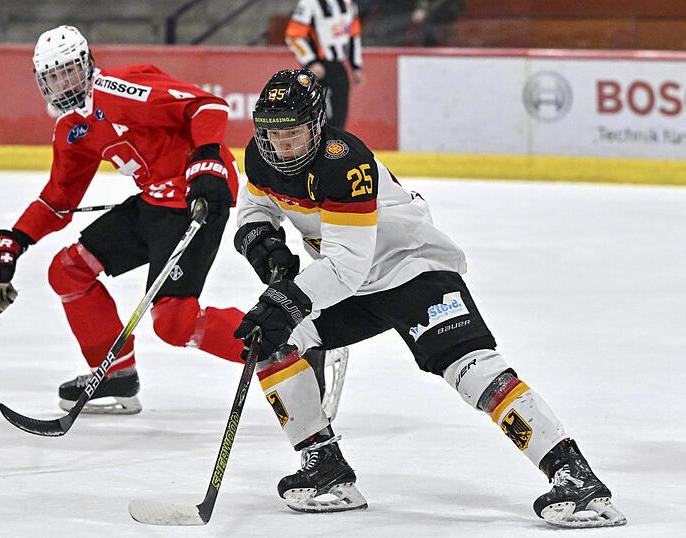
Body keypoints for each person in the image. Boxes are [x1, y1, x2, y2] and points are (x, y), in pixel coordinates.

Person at [231, 69, 626, 528]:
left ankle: (575, 479)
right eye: (272, 134)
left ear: (317, 124)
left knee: (472, 369)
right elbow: (257, 207)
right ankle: (325, 470)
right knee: (273, 344)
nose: (282, 147)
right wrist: (263, 243)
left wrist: (287, 300)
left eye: (293, 134)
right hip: (351, 284)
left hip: (412, 269)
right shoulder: (262, 159)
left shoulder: (345, 163)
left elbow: (345, 265)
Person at [0, 25, 249, 414]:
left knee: (173, 320)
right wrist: (13, 240)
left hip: (196, 198)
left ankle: (283, 349)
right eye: (53, 76)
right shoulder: (72, 129)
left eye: (69, 70)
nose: (63, 82)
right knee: (68, 270)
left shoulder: (119, 88)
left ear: (87, 63)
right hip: (154, 203)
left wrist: (207, 161)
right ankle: (115, 374)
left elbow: (207, 106)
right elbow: (58, 200)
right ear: (42, 83)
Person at [285, 0, 365, 130]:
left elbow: (354, 35)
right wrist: (310, 62)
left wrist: (355, 66)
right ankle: (316, 149)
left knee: (339, 121)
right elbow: (293, 36)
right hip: (319, 69)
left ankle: (333, 149)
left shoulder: (349, 3)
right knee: (318, 119)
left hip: (339, 67)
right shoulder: (309, 3)